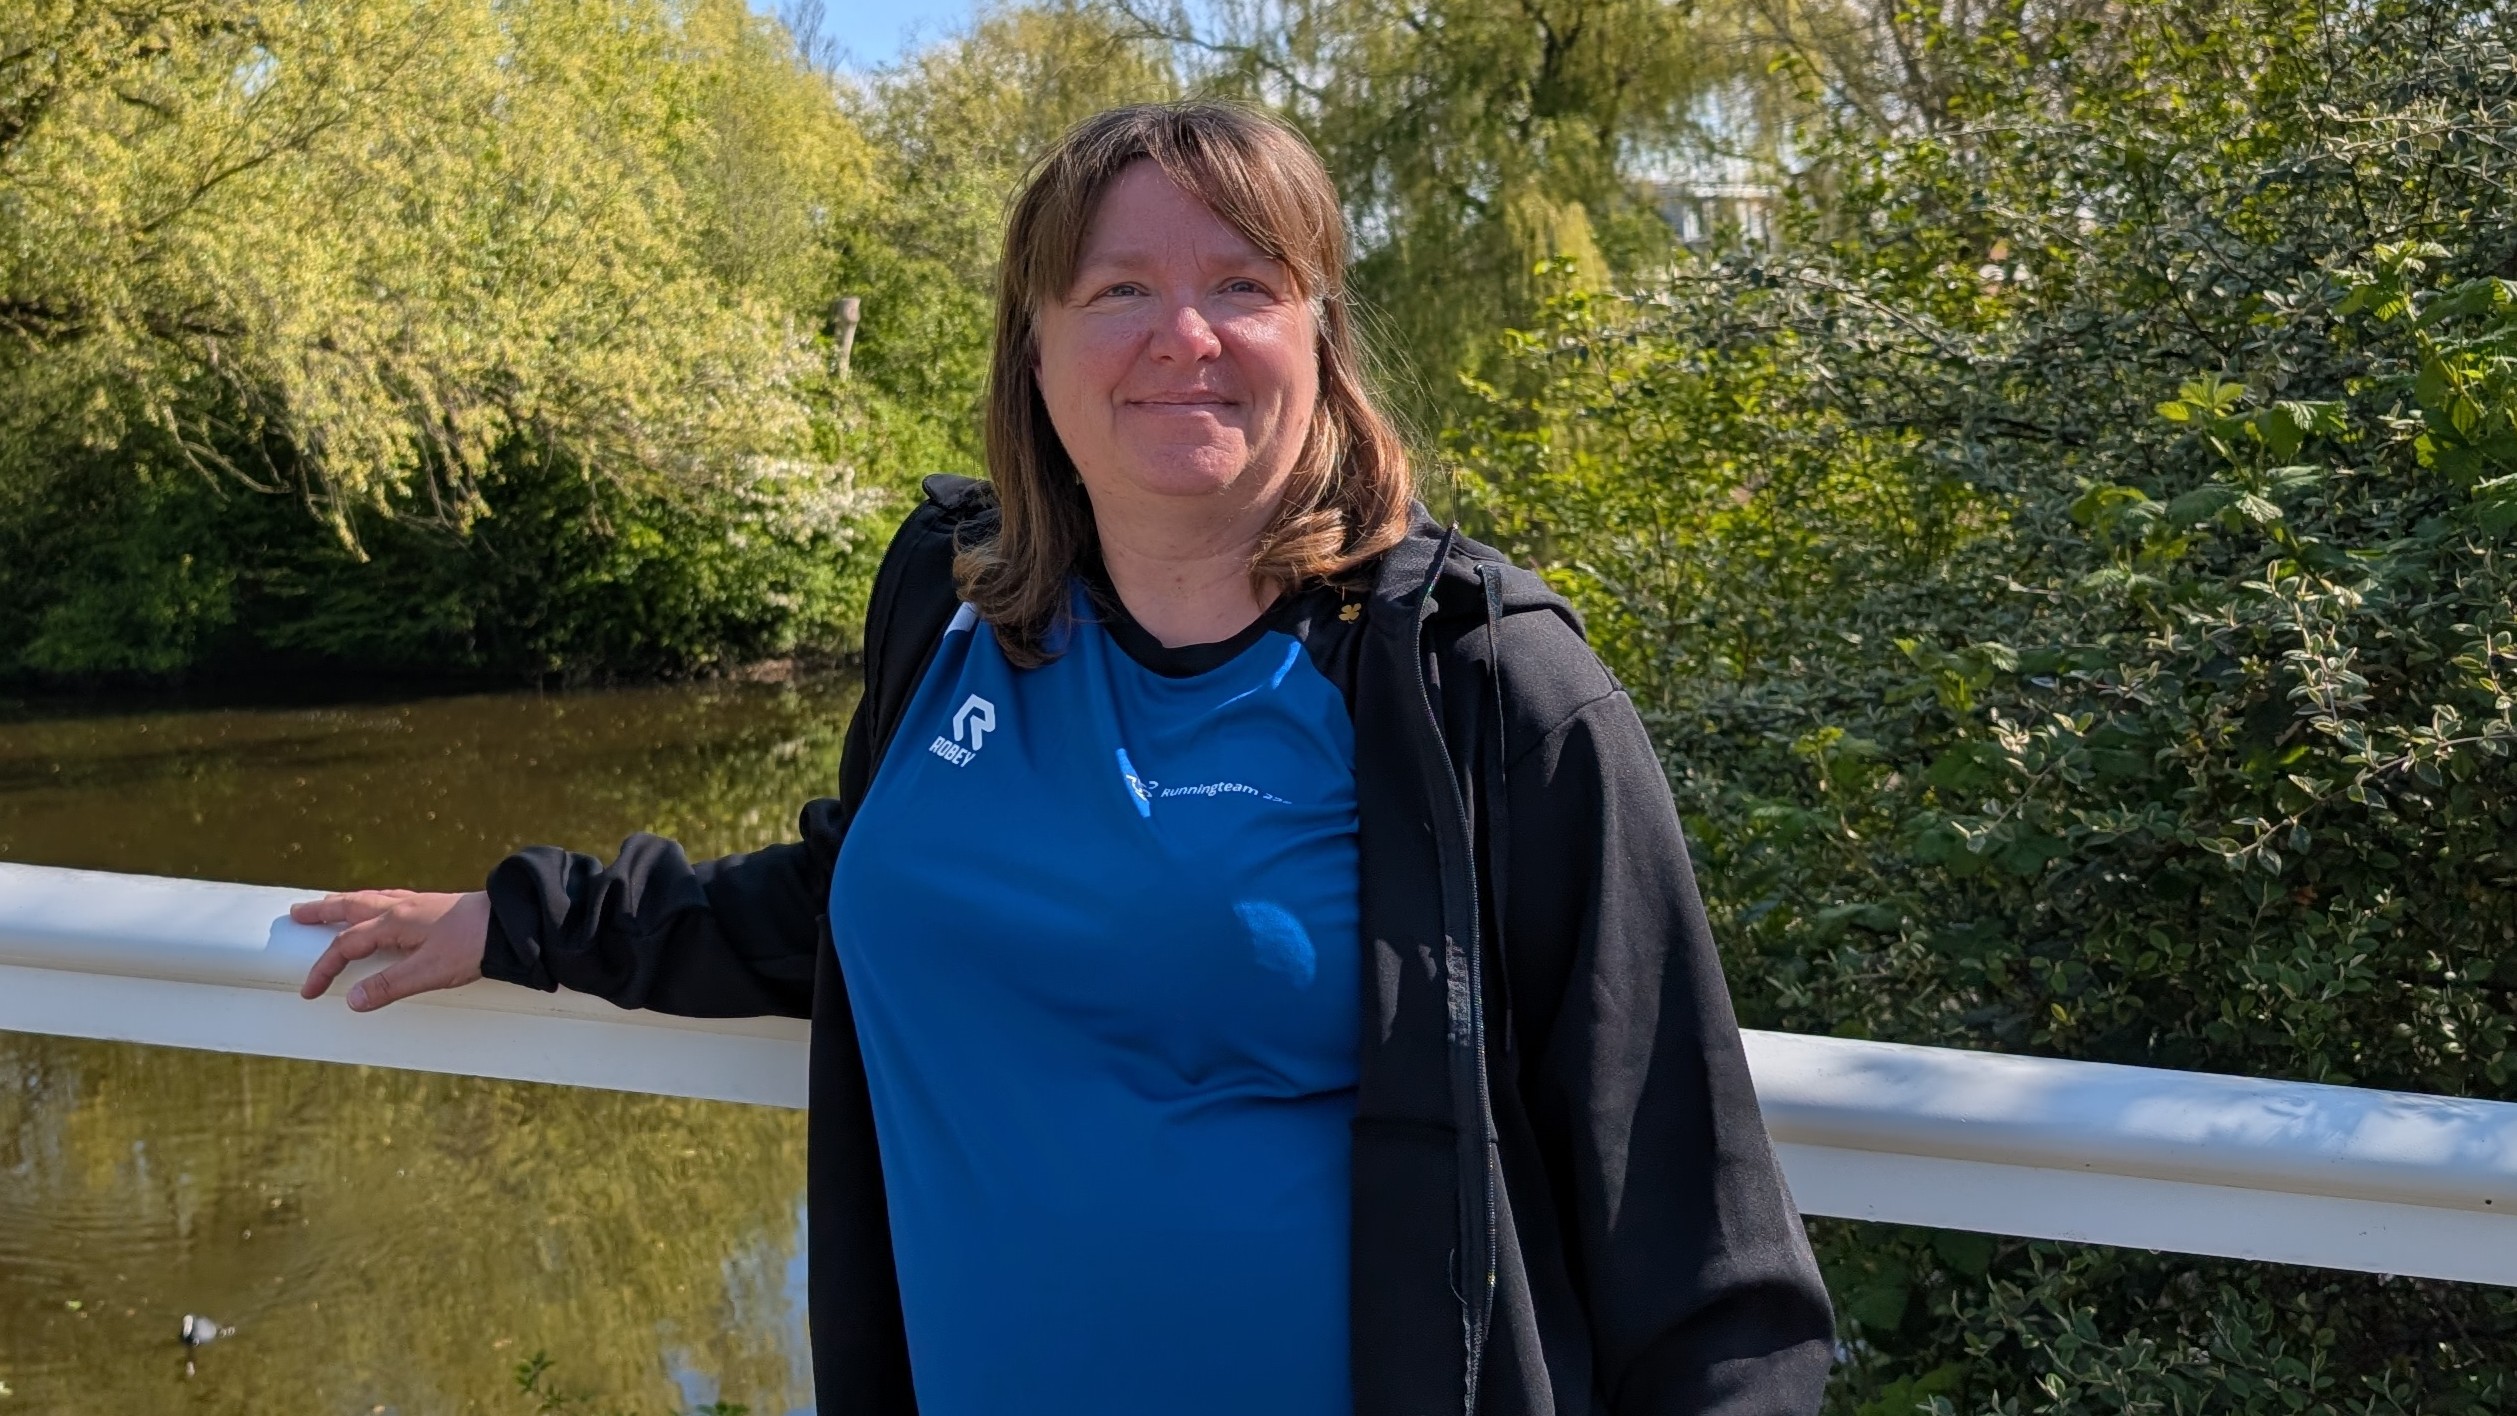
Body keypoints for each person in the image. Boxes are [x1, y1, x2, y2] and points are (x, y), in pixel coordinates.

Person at [294, 100, 1834, 1415]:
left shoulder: (1474, 682)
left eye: (1244, 282)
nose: (1184, 336)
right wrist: (525, 921)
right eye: (1115, 290)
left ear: (1319, 335)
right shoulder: (951, 603)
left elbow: (1694, 1235)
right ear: (1033, 349)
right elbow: (855, 900)